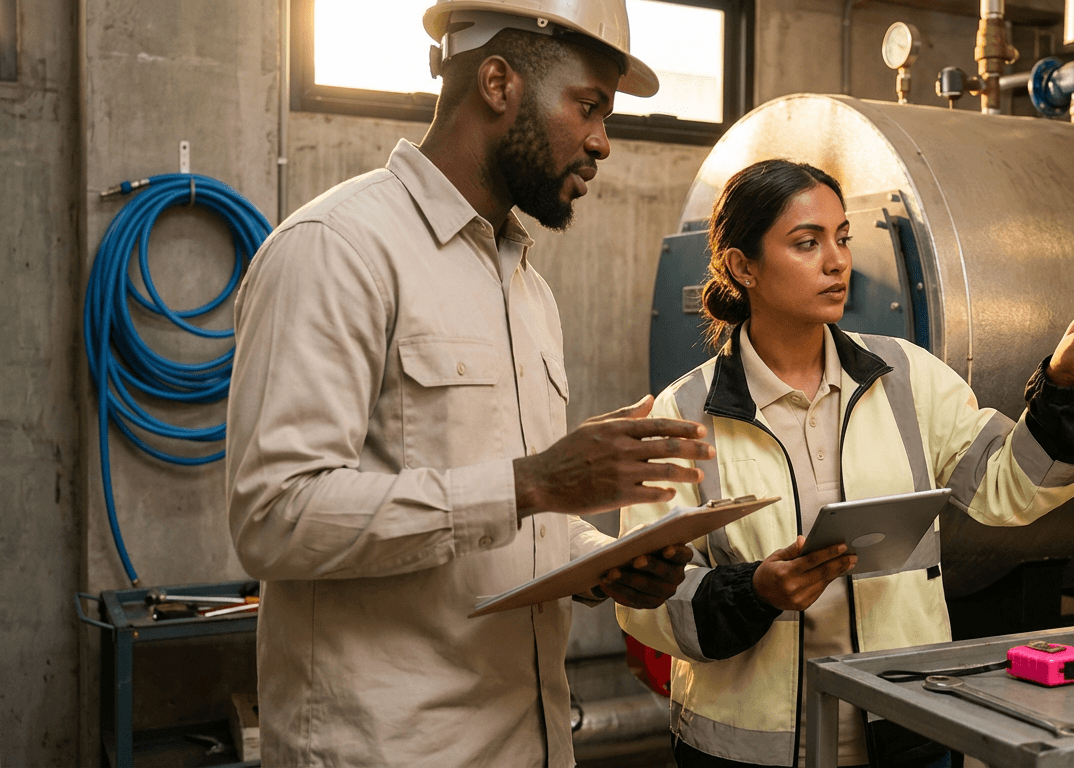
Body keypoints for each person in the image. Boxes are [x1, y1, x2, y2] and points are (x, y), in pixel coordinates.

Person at [224, 2, 715, 765]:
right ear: (497, 83)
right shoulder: (337, 251)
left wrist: (599, 559)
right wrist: (533, 482)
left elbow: (512, 517)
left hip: (527, 740)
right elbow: (274, 515)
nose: (602, 143)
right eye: (587, 107)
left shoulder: (526, 287)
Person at [616, 159, 1074, 768]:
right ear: (741, 266)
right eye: (807, 243)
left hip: (907, 729)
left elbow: (1015, 487)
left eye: (842, 237)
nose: (837, 261)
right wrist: (753, 593)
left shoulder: (907, 376)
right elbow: (644, 601)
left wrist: (1063, 383)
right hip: (753, 750)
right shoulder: (685, 412)